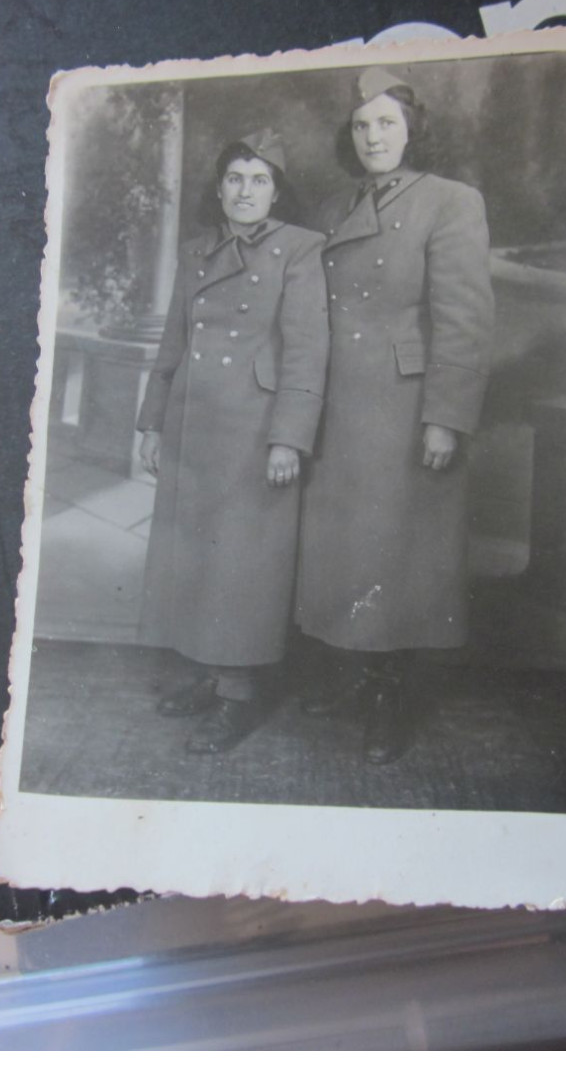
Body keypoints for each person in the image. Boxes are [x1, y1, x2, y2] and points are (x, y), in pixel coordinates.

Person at [295, 67, 496, 765]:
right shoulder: (333, 206)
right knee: (343, 550)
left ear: (412, 130)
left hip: (403, 408)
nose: (373, 135)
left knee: (398, 554)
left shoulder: (450, 201)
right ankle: (354, 676)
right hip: (336, 404)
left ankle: (392, 701)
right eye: (361, 124)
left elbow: (464, 320)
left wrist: (446, 416)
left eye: (386, 122)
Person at [135, 129, 330, 755]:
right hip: (195, 423)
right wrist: (151, 422)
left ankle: (237, 697)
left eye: (260, 180)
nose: (246, 192)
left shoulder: (300, 249)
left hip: (254, 430)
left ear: (277, 191)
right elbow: (173, 341)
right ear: (219, 189)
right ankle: (207, 676)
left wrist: (289, 440)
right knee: (195, 557)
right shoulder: (197, 251)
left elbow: (306, 352)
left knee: (240, 568)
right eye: (235, 179)